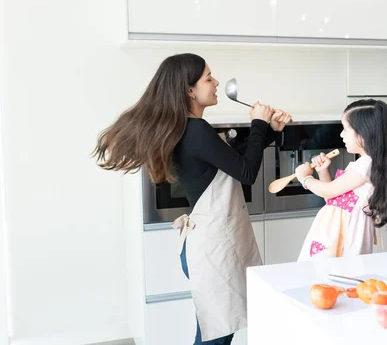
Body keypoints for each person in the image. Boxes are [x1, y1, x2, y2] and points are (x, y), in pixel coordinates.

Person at [92, 53, 291, 344]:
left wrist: (268, 131)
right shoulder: (195, 130)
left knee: (215, 330)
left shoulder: (187, 129)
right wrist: (259, 124)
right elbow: (246, 172)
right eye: (208, 77)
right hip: (213, 247)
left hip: (206, 244)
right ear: (189, 90)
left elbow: (234, 162)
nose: (216, 82)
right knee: (217, 336)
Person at [296, 99, 387, 260]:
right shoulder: (367, 164)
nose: (341, 134)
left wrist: (305, 178)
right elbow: (332, 198)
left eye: (346, 129)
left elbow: (330, 190)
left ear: (364, 133)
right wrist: (322, 171)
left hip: (345, 235)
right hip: (336, 234)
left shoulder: (366, 165)